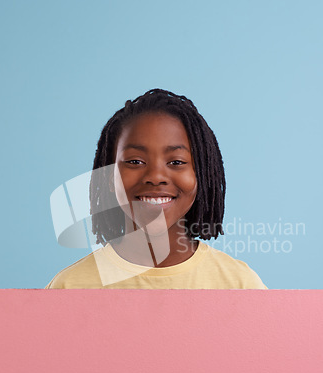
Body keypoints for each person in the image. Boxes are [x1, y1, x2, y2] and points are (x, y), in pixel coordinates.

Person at [45, 88, 267, 289]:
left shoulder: (239, 285)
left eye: (176, 162)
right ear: (108, 176)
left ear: (203, 175)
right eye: (135, 162)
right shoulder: (70, 287)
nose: (155, 177)